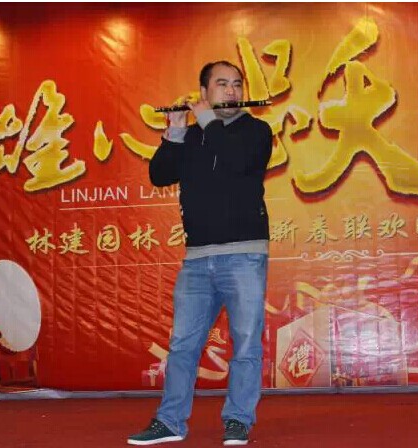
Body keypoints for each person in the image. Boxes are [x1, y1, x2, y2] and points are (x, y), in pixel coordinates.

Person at [127, 61, 273, 446]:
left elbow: (236, 161)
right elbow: (160, 175)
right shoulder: (193, 135)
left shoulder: (256, 131)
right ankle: (170, 421)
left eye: (236, 84)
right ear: (204, 92)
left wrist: (206, 120)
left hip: (244, 254)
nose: (232, 91)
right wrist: (175, 131)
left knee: (245, 342)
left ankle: (238, 420)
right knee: (183, 344)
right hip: (196, 258)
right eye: (222, 84)